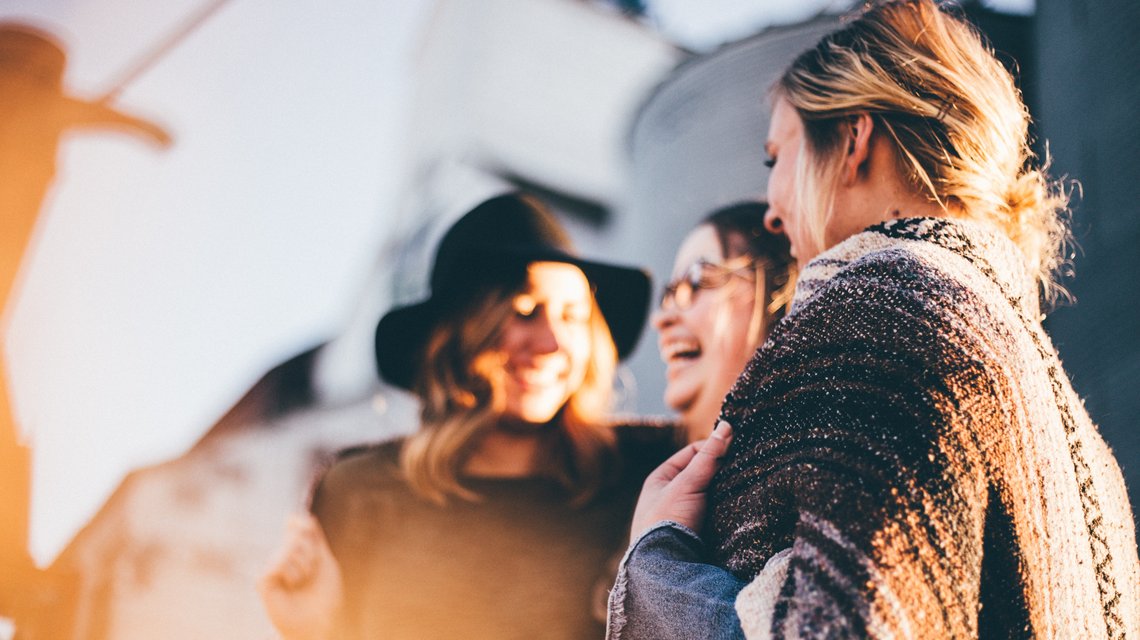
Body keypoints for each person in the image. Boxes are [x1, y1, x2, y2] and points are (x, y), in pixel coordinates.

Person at [608, 1, 1140, 638]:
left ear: (854, 140)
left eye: (776, 157)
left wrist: (656, 562)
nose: (773, 214)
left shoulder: (880, 307)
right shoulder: (1076, 436)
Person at [259, 193, 678, 639]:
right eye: (525, 311)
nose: (552, 342)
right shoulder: (358, 492)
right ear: (459, 334)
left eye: (572, 316)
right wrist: (310, 631)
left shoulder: (644, 476)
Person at [654, 202, 794, 441]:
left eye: (696, 279)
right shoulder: (614, 466)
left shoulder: (805, 467)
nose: (661, 319)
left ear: (778, 295)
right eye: (669, 292)